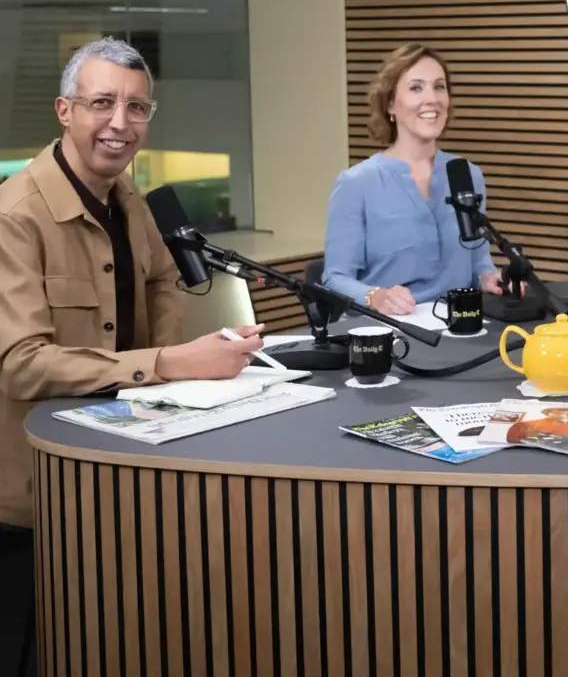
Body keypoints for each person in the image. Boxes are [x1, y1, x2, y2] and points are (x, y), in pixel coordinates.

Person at [0, 37, 266, 675]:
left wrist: (167, 351)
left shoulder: (131, 201)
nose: (120, 123)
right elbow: (20, 363)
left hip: (114, 472)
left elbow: (161, 280)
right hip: (33, 502)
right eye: (101, 103)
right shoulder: (16, 216)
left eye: (137, 108)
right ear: (65, 111)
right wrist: (165, 366)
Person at [323, 43, 507, 315]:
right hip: (392, 330)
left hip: (462, 325)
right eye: (416, 88)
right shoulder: (356, 183)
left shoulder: (466, 174)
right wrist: (374, 296)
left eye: (439, 87)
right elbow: (334, 280)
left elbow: (478, 260)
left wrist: (488, 278)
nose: (432, 98)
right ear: (390, 105)